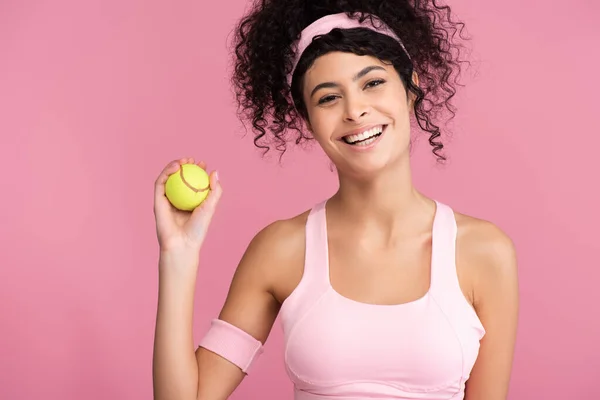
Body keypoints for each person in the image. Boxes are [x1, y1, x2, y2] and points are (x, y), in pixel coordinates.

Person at [152, 1, 519, 399]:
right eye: (328, 98)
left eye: (373, 83)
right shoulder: (280, 249)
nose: (355, 110)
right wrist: (178, 255)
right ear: (307, 119)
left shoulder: (484, 251)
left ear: (411, 87)